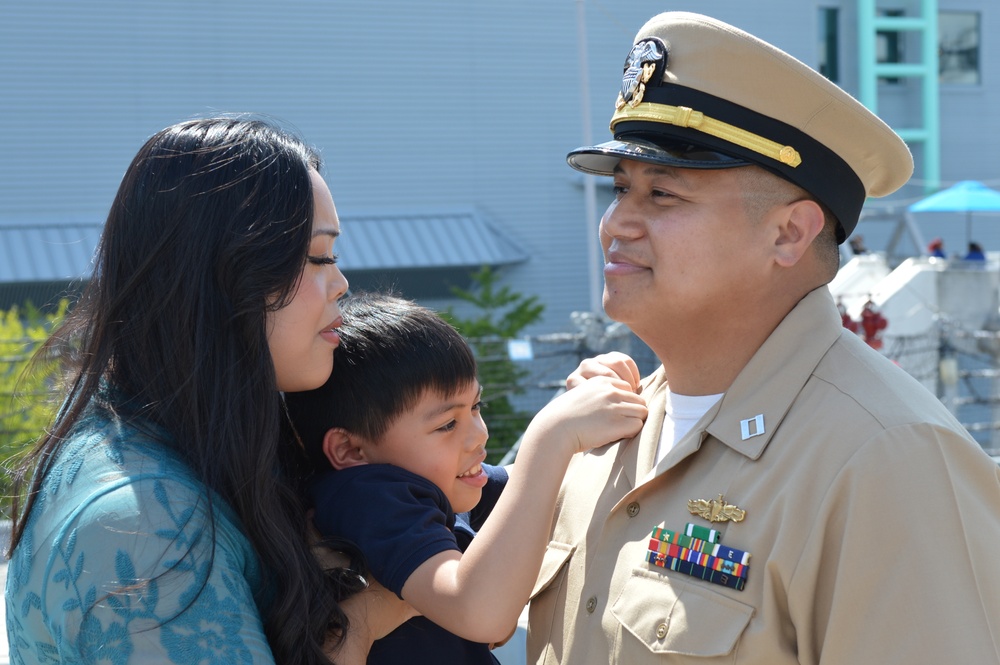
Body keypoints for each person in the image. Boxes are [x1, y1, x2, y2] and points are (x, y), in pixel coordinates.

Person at [526, 12, 1000, 664]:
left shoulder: (887, 461)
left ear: (789, 234)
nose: (617, 224)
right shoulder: (609, 427)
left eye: (662, 193)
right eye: (619, 188)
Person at [4, 117, 402, 664]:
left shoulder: (149, 447)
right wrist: (362, 620)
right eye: (317, 257)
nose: (341, 282)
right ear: (221, 274)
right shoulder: (144, 527)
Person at [283, 292, 647, 664]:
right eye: (447, 424)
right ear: (350, 451)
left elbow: (535, 486)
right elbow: (480, 613)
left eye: (476, 407)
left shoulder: (432, 484)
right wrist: (552, 435)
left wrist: (589, 399)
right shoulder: (367, 495)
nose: (480, 435)